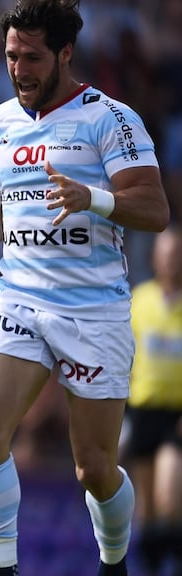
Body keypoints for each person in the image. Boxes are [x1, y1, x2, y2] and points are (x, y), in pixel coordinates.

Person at [0, 1, 170, 575]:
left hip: (94, 310)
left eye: (33, 57)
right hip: (20, 299)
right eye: (12, 56)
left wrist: (91, 198)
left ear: (65, 53)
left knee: (94, 469)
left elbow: (156, 209)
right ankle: (2, 570)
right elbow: (5, 217)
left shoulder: (109, 119)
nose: (20, 69)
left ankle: (114, 561)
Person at [124, 225, 182, 575]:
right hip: (142, 410)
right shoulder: (139, 300)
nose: (171, 259)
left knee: (168, 494)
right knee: (145, 508)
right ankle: (151, 566)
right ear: (155, 257)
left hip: (176, 414)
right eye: (166, 252)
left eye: (177, 253)